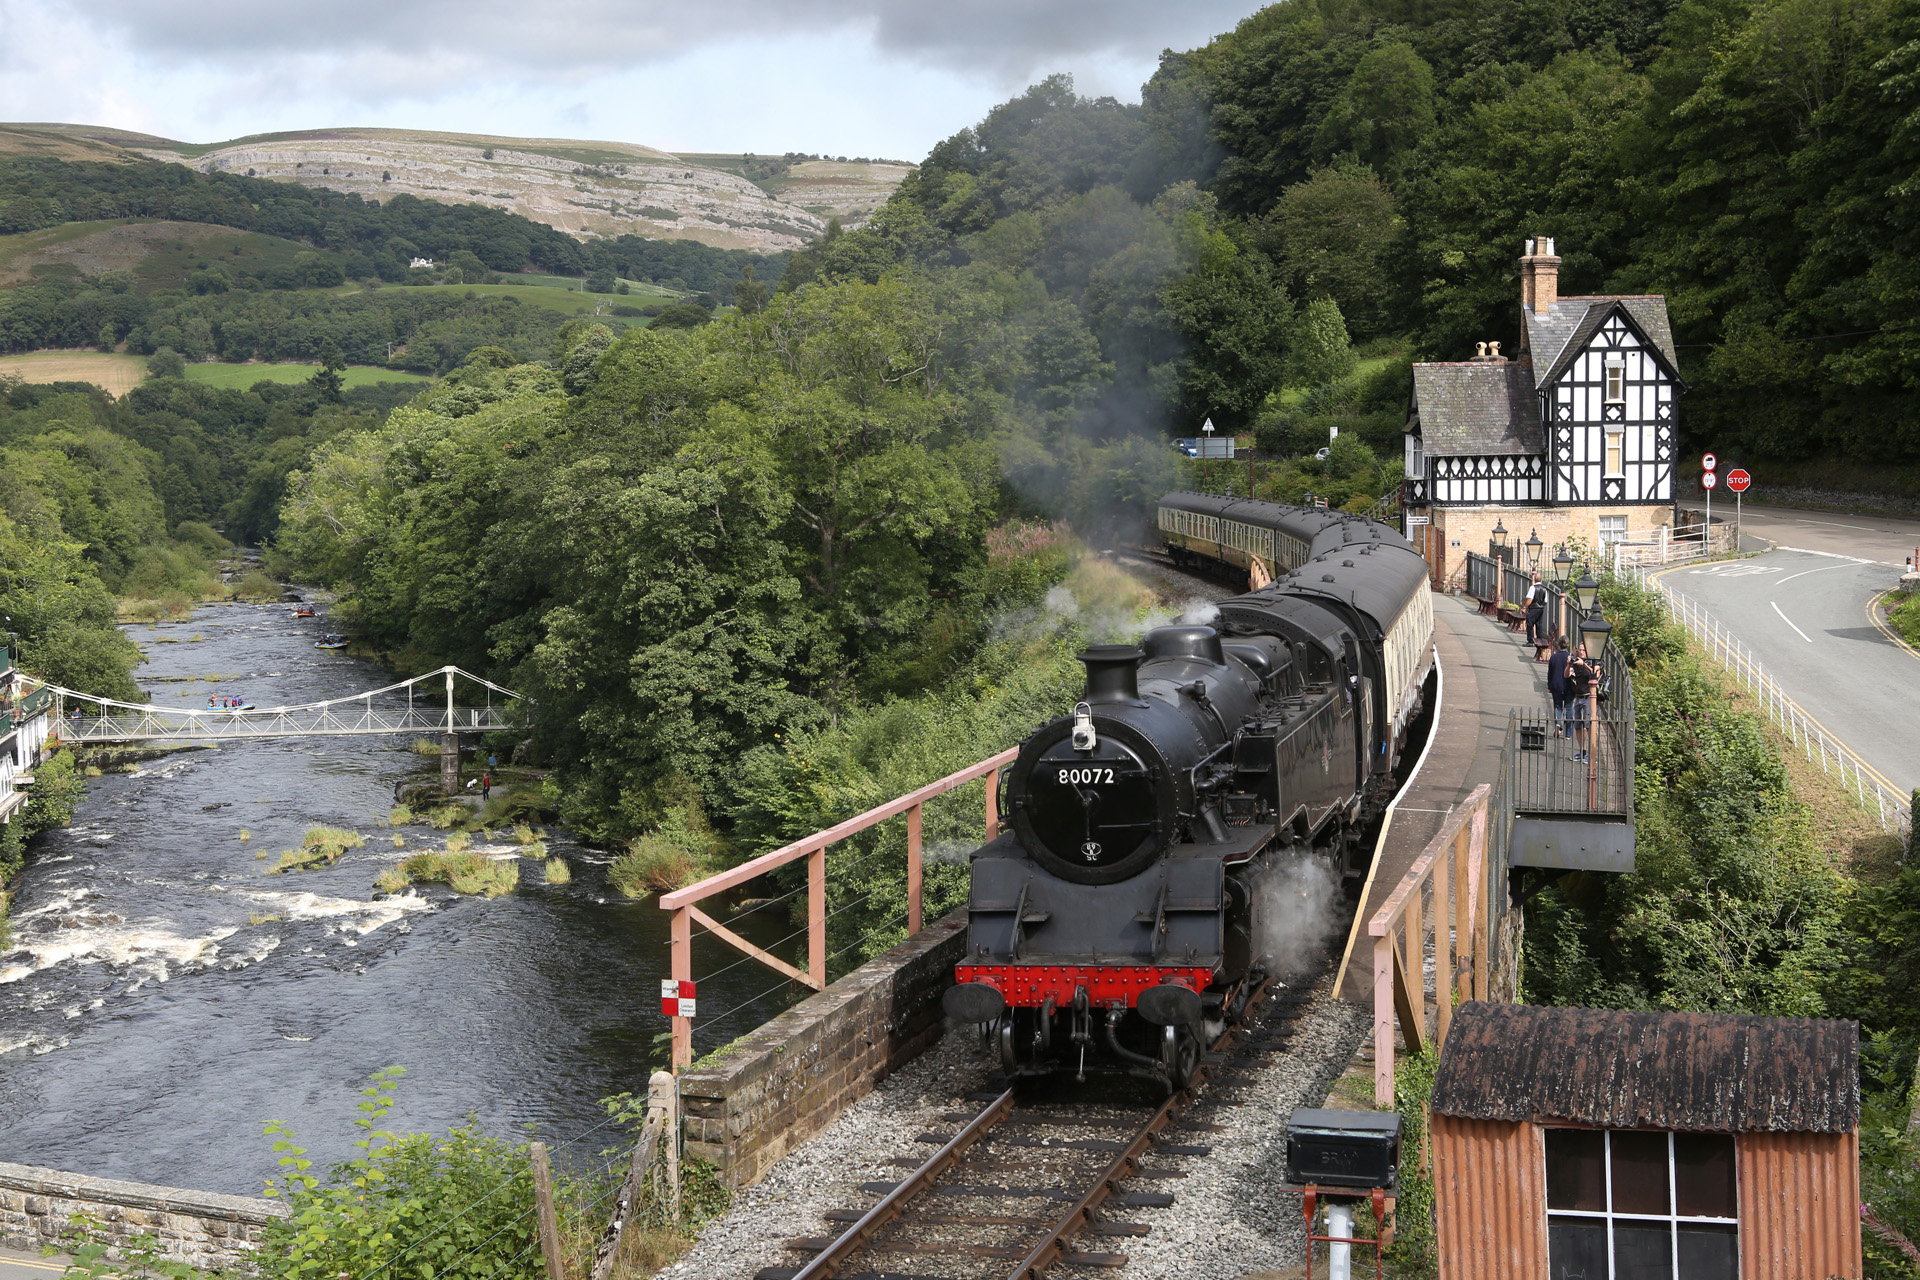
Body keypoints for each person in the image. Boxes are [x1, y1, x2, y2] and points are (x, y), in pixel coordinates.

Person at [1565, 643, 1596, 763]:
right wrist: (1569, 664)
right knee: (1578, 726)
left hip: (1589, 697)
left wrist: (1584, 665)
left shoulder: (1593, 662)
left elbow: (1595, 673)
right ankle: (1582, 751)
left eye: (1584, 650)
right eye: (1580, 650)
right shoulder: (1576, 663)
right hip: (1578, 697)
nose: (1581, 652)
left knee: (1588, 725)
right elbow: (1566, 675)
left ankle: (1591, 753)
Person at [1547, 637, 1572, 736]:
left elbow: (1550, 673)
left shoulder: (1553, 657)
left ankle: (1558, 723)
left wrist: (1549, 685)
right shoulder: (1571, 656)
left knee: (1558, 706)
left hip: (1556, 685)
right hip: (1569, 686)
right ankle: (1568, 734)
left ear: (1558, 644)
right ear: (1568, 645)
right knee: (1569, 708)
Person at [1524, 571, 1548, 651]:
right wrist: (1541, 605)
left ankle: (1530, 640)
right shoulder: (1545, 589)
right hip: (1540, 608)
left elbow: (1529, 599)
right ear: (1541, 580)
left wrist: (1525, 607)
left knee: (1530, 623)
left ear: (1534, 579)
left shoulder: (1533, 588)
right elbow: (1545, 602)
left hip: (1533, 608)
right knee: (1539, 624)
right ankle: (1539, 638)